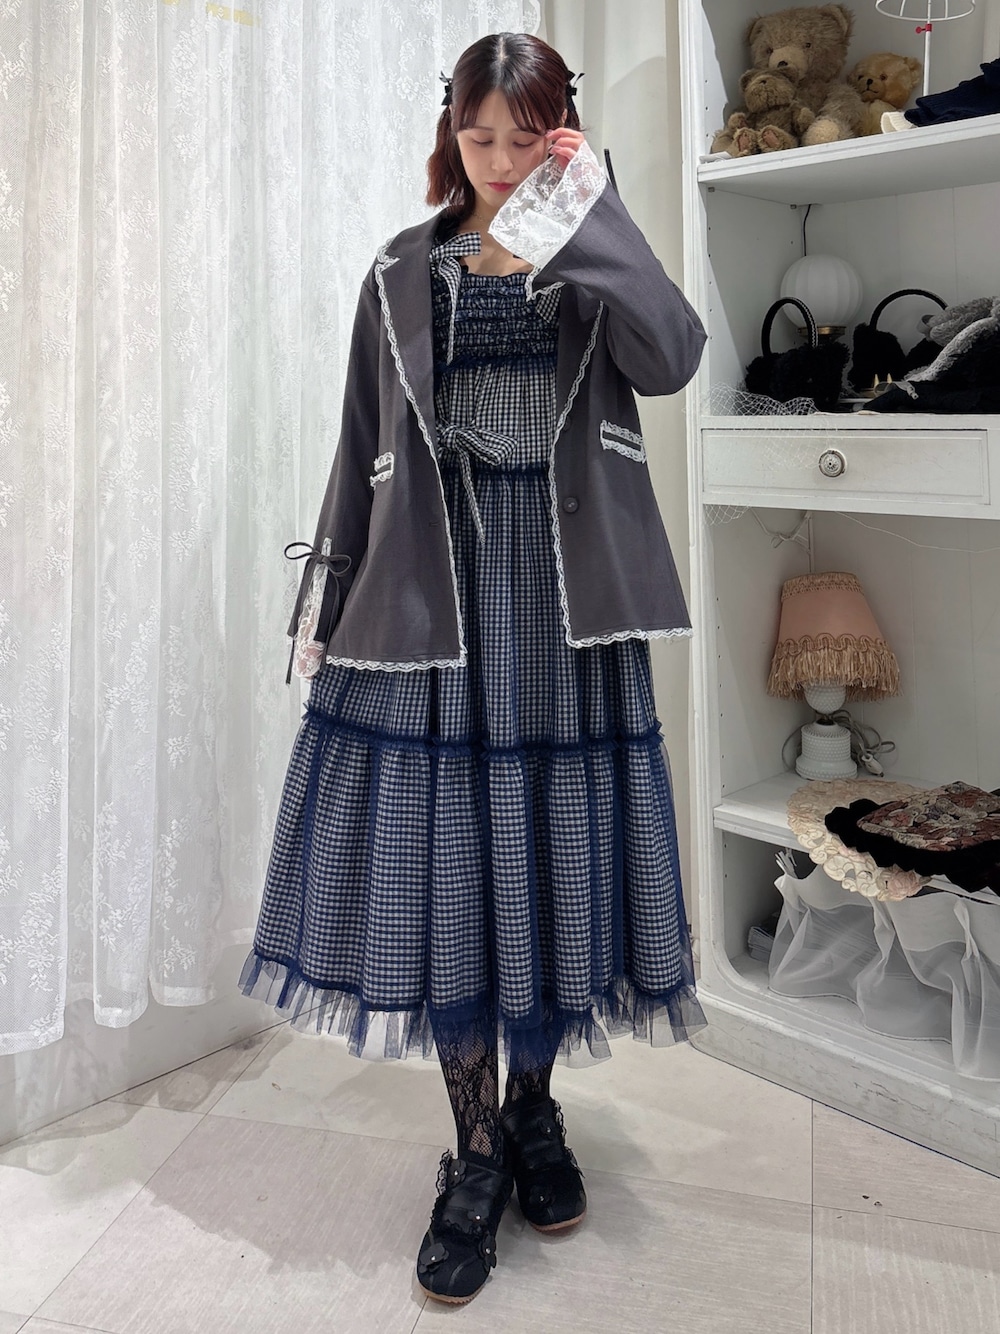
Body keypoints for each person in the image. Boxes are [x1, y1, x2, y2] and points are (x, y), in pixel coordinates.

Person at [239, 30, 707, 1305]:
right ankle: (478, 1146)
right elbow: (358, 439)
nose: (497, 160)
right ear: (450, 129)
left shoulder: (588, 252)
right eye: (477, 133)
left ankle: (537, 1111)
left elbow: (673, 356)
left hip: (561, 599)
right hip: (431, 595)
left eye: (522, 136)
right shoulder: (403, 266)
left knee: (547, 856)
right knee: (450, 866)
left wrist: (592, 215)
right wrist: (328, 592)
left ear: (559, 132)